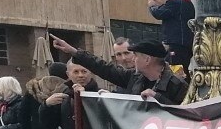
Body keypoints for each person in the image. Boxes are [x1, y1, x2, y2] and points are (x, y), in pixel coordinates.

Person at [52, 35, 188, 105]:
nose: (133, 59)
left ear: (147, 60)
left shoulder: (177, 84)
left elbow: (187, 114)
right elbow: (104, 68)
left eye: (136, 56)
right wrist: (74, 51)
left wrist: (157, 98)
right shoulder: (134, 77)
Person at [148, 0, 196, 72]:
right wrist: (162, 5)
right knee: (183, 69)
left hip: (174, 43)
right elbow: (175, 15)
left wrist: (152, 5)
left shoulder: (174, 3)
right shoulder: (188, 4)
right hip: (186, 44)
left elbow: (158, 14)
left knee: (174, 70)